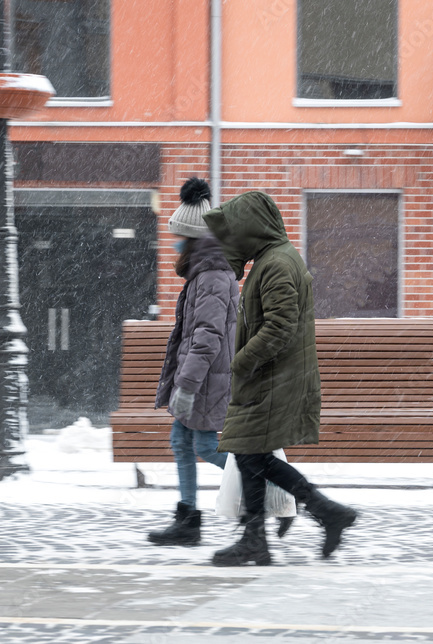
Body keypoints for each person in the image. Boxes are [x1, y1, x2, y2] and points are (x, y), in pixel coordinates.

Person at [202, 190, 357, 566]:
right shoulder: (272, 260)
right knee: (250, 452)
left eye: (236, 233)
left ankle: (316, 514)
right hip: (272, 377)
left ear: (252, 230)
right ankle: (270, 532)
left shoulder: (276, 265)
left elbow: (280, 326)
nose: (231, 243)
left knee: (248, 451)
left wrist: (240, 362)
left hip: (274, 378)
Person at [147, 177, 239, 546]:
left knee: (203, 446)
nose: (175, 244)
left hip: (206, 381)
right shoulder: (202, 274)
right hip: (201, 377)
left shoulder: (213, 276)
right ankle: (187, 522)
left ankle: (261, 482)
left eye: (180, 237)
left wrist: (185, 385)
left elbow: (206, 338)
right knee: (182, 441)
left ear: (194, 239)